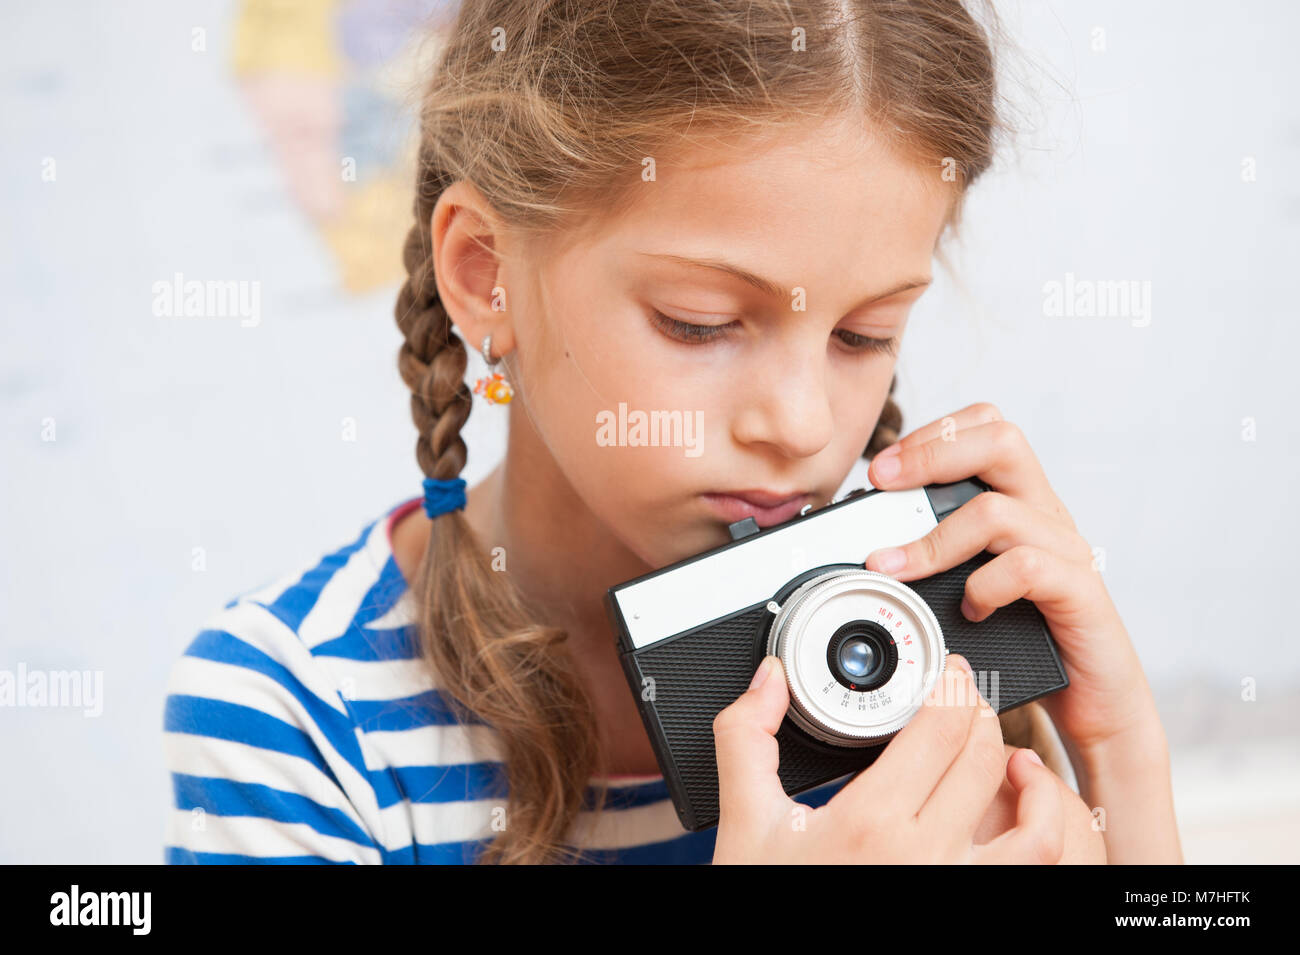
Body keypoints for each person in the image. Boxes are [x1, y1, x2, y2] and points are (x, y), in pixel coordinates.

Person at [162, 0, 1180, 864]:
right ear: (485, 276)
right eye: (700, 322)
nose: (799, 424)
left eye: (864, 334)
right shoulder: (299, 709)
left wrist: (1121, 758)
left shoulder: (904, 662)